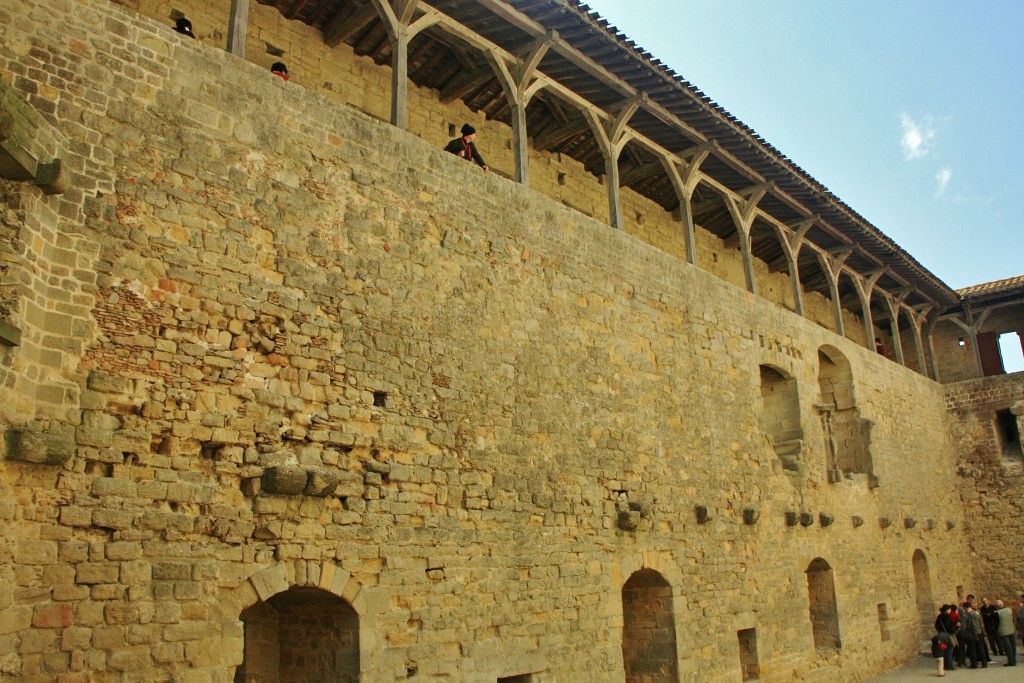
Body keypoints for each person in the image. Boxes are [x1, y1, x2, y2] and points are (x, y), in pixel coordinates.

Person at [961, 601, 988, 668]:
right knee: (981, 648)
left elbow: (964, 625)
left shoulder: (965, 614)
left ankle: (974, 664)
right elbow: (980, 623)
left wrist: (963, 632)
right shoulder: (977, 613)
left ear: (965, 607)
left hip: (971, 633)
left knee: (972, 649)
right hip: (979, 632)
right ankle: (984, 663)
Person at [934, 605, 956, 673]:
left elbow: (936, 625)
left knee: (942, 650)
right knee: (949, 650)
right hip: (946, 635)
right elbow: (948, 627)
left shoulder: (939, 616)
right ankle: (949, 666)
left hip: (940, 634)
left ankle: (944, 665)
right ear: (947, 610)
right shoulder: (947, 616)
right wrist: (953, 630)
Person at [996, 599, 1017, 665]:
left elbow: (996, 623)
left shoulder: (997, 612)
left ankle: (1011, 661)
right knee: (1013, 646)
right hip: (1011, 629)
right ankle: (1013, 659)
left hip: (1003, 631)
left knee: (1007, 647)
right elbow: (1013, 619)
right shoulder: (1009, 610)